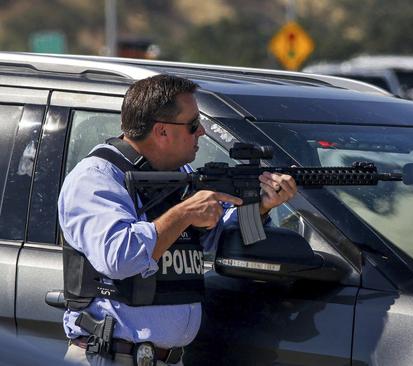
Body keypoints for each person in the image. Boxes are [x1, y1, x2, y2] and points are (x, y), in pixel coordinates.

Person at [58, 74, 297, 365]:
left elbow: (218, 240)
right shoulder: (96, 178)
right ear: (161, 131)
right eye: (193, 125)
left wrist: (259, 207)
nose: (202, 133)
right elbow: (119, 258)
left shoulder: (180, 176)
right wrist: (184, 213)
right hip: (110, 356)